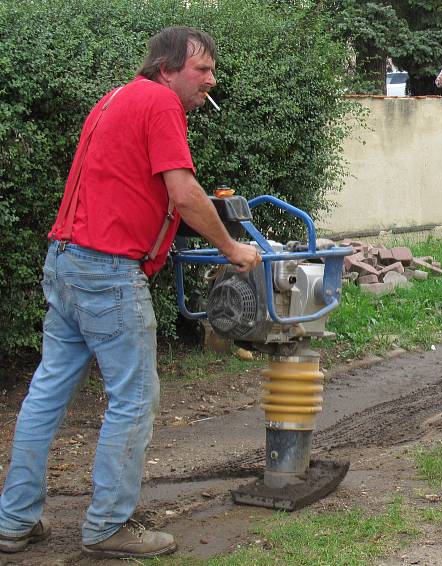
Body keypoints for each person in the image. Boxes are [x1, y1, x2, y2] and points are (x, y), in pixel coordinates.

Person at [0, 27, 261, 559]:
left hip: (66, 259)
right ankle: (108, 526)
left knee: (46, 395)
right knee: (135, 398)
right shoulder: (161, 102)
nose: (211, 80)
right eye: (202, 70)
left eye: (212, 70)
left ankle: (13, 521)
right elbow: (183, 192)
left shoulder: (116, 98)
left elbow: (131, 186)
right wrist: (234, 249)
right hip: (108, 273)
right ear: (167, 69)